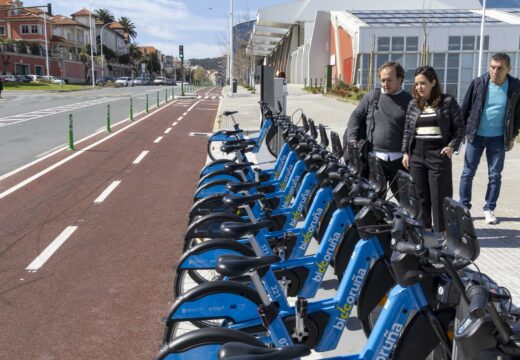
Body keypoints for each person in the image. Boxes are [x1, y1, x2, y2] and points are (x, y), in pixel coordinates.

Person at [459, 52, 520, 224]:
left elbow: (517, 115)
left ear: (508, 69)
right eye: (492, 67)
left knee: (495, 175)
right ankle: (464, 207)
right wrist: (462, 133)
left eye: (500, 68)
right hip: (475, 136)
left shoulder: (516, 86)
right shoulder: (478, 83)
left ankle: (489, 209)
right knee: (467, 173)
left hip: (498, 139)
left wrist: (512, 137)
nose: (495, 71)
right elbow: (465, 109)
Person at [402, 66, 464, 234]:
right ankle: (426, 238)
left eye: (423, 83)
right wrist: (406, 152)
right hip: (416, 154)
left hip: (438, 154)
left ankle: (442, 237)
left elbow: (460, 129)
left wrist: (451, 146)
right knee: (420, 198)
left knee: (439, 198)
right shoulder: (413, 104)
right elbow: (408, 130)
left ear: (433, 82)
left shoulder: (448, 102)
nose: (419, 87)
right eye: (416, 84)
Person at [345, 61, 412, 198]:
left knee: (407, 204)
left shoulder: (409, 100)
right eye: (382, 80)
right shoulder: (372, 97)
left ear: (400, 79)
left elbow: (413, 129)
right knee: (373, 202)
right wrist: (352, 139)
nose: (385, 84)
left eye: (389, 80)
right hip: (374, 160)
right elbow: (355, 117)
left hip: (400, 162)